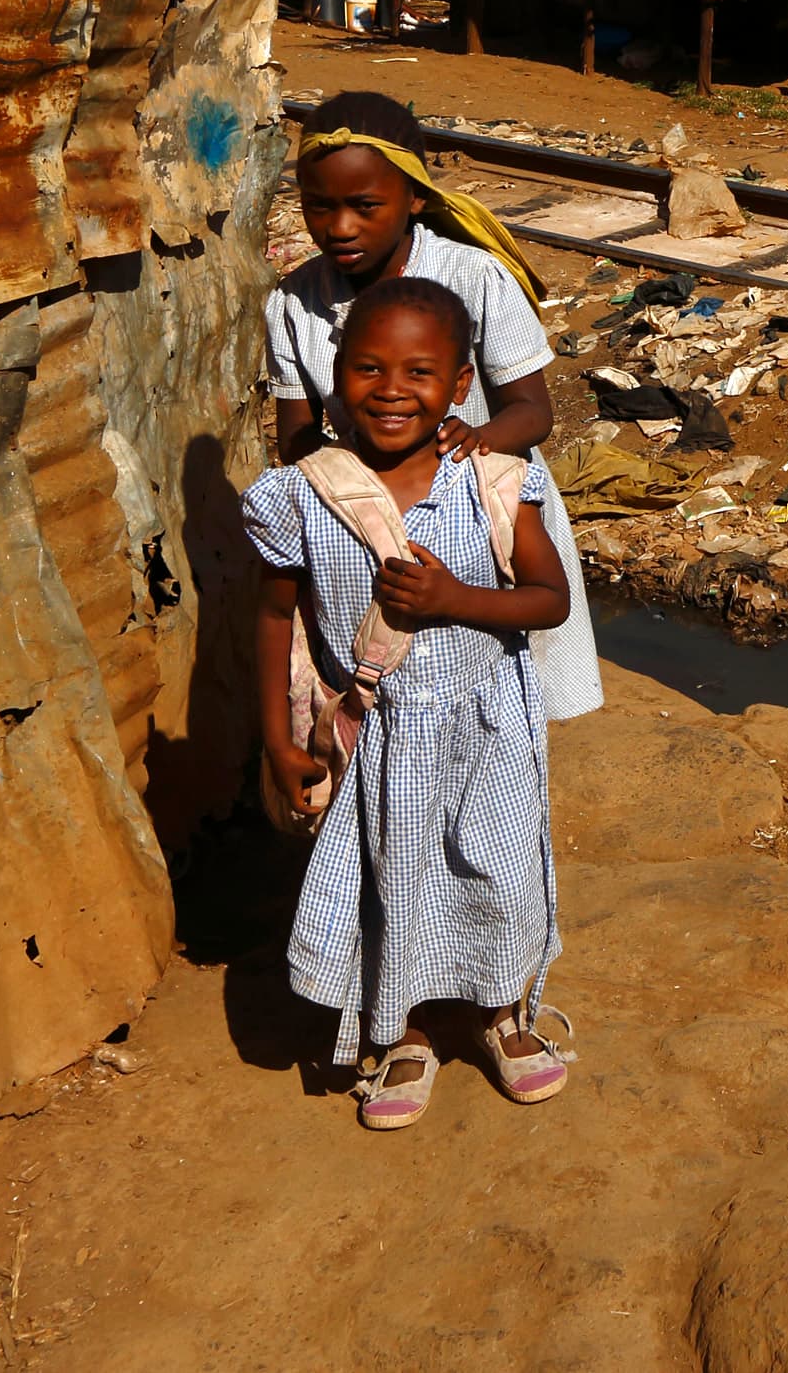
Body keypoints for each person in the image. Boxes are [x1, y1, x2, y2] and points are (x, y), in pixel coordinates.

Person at [248, 277, 576, 1127]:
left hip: (486, 726)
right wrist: (279, 742)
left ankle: (504, 1014)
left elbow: (548, 599)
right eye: (368, 368)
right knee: (394, 881)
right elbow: (274, 616)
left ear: (460, 385)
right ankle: (408, 1029)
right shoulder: (303, 490)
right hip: (379, 737)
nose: (392, 390)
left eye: (420, 372)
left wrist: (455, 599)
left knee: (497, 874)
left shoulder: (494, 479)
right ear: (335, 372)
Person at [267, 91, 604, 724]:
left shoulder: (475, 278)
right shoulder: (293, 303)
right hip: (362, 527)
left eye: (365, 207)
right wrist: (359, 482)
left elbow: (532, 411)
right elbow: (297, 438)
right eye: (320, 206)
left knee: (500, 688)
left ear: (414, 198)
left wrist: (472, 440)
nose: (340, 227)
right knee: (382, 694)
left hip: (486, 519)